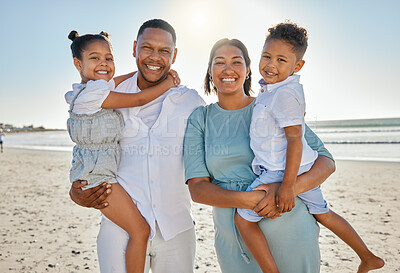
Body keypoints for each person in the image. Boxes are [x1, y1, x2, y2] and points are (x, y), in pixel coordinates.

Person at [234, 22, 384, 273]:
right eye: (266, 56)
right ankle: (367, 256)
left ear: (298, 66)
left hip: (281, 170)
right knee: (322, 212)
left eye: (281, 60)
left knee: (243, 219)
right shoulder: (274, 89)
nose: (271, 64)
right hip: (297, 166)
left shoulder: (284, 94)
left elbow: (295, 139)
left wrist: (288, 186)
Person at [183, 38, 335, 273]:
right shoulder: (200, 119)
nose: (228, 69)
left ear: (247, 70)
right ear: (210, 72)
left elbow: (325, 161)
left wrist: (286, 190)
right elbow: (198, 189)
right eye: (219, 62)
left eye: (237, 61)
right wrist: (252, 200)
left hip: (288, 223)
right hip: (233, 236)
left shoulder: (271, 104)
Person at [68, 19, 205, 273]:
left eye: (164, 50)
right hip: (118, 227)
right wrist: (76, 192)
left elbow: (219, 150)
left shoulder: (190, 101)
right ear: (134, 49)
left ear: (174, 56)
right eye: (147, 48)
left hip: (176, 228)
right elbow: (87, 146)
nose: (155, 57)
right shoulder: (107, 96)